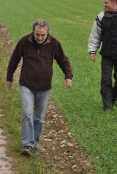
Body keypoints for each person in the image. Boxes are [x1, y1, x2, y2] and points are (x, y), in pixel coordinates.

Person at [6, 20, 73, 156]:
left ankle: (35, 144)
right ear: (33, 31)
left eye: (43, 35)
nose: (40, 37)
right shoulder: (24, 41)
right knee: (27, 114)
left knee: (39, 118)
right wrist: (9, 77)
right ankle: (27, 145)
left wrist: (68, 76)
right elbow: (14, 59)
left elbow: (63, 60)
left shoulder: (54, 43)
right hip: (27, 85)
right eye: (37, 34)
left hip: (44, 87)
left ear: (47, 32)